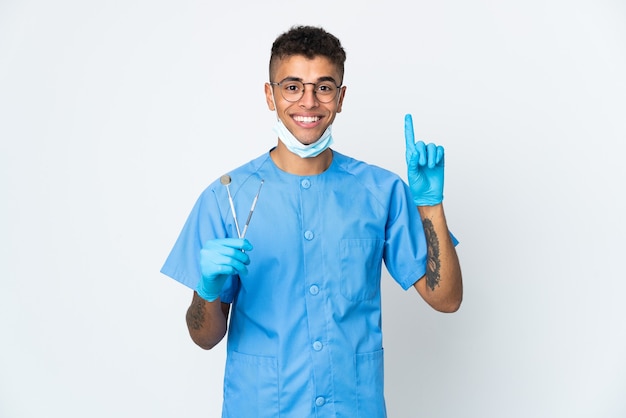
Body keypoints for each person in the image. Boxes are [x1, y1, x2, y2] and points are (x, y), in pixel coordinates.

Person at [161, 25, 463, 418]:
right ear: (270, 95)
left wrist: (430, 205)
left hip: (353, 408)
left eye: (323, 87)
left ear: (340, 98)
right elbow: (204, 338)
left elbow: (447, 299)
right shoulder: (225, 198)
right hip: (261, 407)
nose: (308, 101)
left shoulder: (380, 191)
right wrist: (206, 289)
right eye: (292, 87)